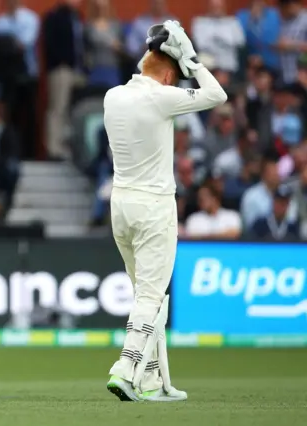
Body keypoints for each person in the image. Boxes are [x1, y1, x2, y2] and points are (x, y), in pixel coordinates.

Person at [103, 21, 227, 402]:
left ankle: (154, 380)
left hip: (120, 204)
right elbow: (216, 95)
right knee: (151, 297)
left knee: (146, 294)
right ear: (171, 74)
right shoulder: (161, 97)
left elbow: (149, 66)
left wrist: (160, 48)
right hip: (154, 207)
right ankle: (125, 369)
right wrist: (191, 60)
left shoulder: (113, 95)